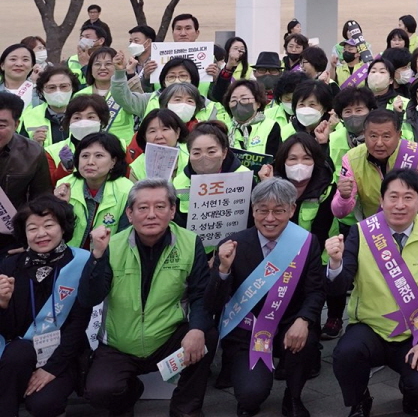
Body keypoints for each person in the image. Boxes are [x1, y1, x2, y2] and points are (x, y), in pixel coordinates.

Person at [84, 178, 217, 416]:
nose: (151, 215)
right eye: (143, 208)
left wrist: (196, 329)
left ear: (172, 211)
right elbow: (89, 298)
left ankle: (185, 409)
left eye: (160, 206)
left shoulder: (189, 242)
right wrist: (97, 256)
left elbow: (200, 294)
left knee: (206, 334)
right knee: (100, 392)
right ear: (130, 213)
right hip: (119, 344)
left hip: (167, 337)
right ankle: (130, 393)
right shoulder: (112, 245)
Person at [327, 168, 418, 417]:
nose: (399, 205)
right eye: (393, 197)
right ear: (382, 200)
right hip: (370, 327)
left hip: (415, 330)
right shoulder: (361, 232)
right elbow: (339, 287)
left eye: (408, 197)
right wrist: (335, 263)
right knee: (346, 355)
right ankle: (360, 399)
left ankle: (411, 391)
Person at [212, 178, 326, 417]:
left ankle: (293, 396)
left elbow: (316, 290)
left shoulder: (307, 243)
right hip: (247, 331)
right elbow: (212, 302)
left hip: (289, 325)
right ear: (253, 210)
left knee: (307, 341)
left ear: (292, 210)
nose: (270, 218)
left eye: (278, 211)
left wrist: (304, 320)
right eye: (262, 210)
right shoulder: (233, 245)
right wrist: (222, 270)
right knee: (250, 396)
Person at [0, 196, 104, 417]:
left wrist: (51, 369)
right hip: (22, 354)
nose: (41, 234)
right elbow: (9, 331)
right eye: (32, 228)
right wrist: (2, 305)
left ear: (63, 228)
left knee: (44, 404)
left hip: (64, 353)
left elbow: (78, 325)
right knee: (17, 353)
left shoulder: (80, 262)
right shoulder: (11, 265)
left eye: (48, 225)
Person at [0, 91, 50, 252]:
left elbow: (42, 200)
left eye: (1, 125)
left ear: (16, 125)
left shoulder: (33, 153)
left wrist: (31, 242)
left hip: (11, 238)